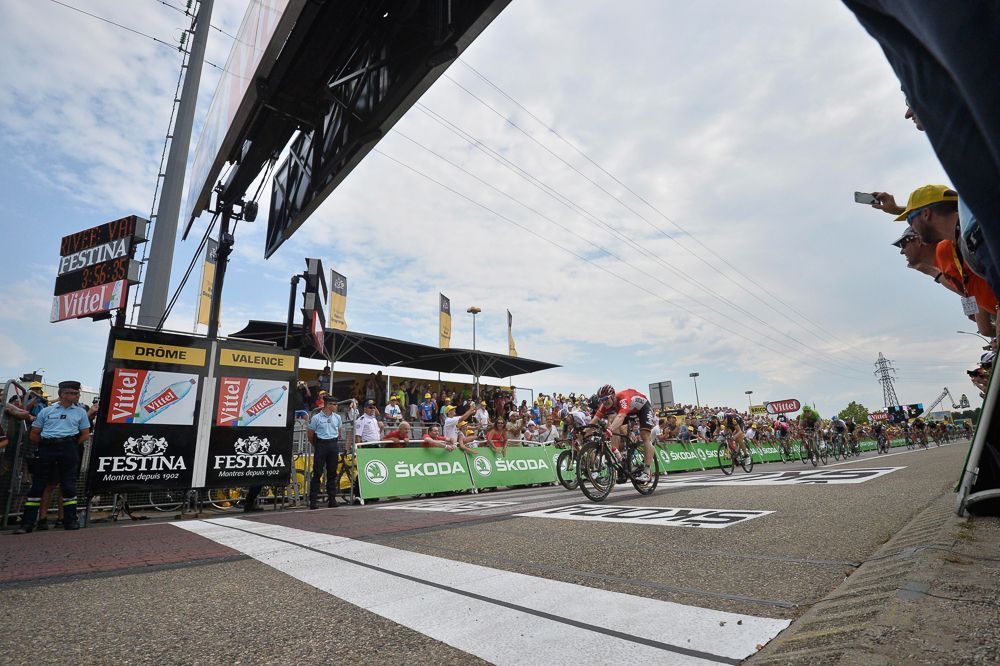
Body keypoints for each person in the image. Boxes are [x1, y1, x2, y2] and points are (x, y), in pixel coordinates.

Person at [15, 380, 90, 533]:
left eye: (78, 393)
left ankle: (70, 521)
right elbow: (34, 434)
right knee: (38, 486)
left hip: (68, 448)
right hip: (47, 448)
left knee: (68, 486)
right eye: (74, 393)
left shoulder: (80, 412)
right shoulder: (47, 411)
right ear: (63, 394)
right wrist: (47, 445)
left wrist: (70, 446)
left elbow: (85, 434)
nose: (77, 395)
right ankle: (27, 523)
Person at [591, 384, 657, 483]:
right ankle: (618, 458)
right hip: (630, 411)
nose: (604, 402)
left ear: (613, 396)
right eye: (601, 399)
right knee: (613, 422)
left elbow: (621, 417)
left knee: (645, 436)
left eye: (605, 398)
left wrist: (609, 429)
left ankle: (647, 472)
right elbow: (594, 420)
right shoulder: (605, 404)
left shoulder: (623, 398)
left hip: (643, 408)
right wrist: (583, 431)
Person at [307, 395, 342, 509]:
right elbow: (310, 435)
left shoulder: (337, 417)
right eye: (334, 404)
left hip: (333, 444)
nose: (337, 406)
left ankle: (332, 500)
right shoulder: (316, 418)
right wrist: (317, 445)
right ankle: (313, 501)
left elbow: (339, 431)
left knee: (332, 473)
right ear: (328, 405)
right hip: (321, 444)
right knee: (317, 473)